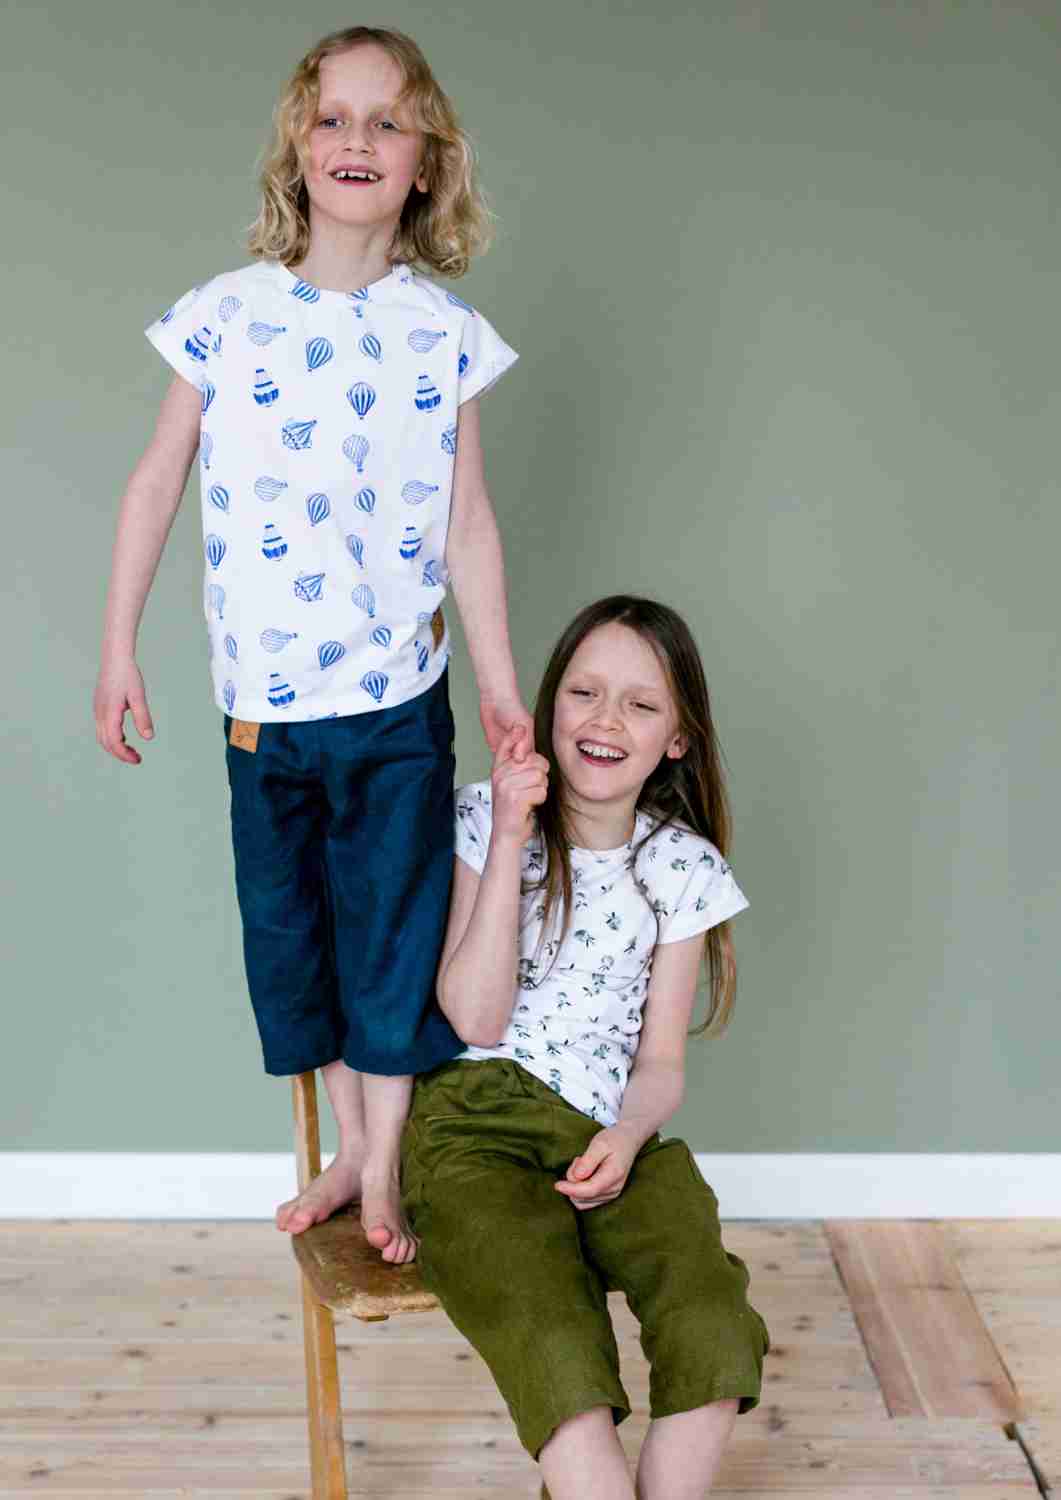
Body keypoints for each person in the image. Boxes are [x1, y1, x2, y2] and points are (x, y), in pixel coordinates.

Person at [93, 26, 532, 1263]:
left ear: (424, 163)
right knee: (293, 945)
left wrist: (500, 695)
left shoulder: (443, 333)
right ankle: (350, 1144)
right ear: (297, 145)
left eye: (386, 122)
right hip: (263, 710)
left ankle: (379, 1168)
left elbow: (469, 524)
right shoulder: (226, 315)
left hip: (396, 702)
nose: (356, 140)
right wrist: (118, 646)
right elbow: (155, 481)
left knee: (391, 938)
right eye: (332, 117)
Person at [402, 595, 769, 1498]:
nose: (606, 720)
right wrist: (514, 835)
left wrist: (628, 1136)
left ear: (676, 739)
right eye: (584, 693)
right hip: (472, 1127)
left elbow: (660, 1064)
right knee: (549, 1325)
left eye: (640, 706)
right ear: (549, 704)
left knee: (710, 1310)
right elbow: (474, 1018)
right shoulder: (481, 819)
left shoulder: (682, 869)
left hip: (609, 1131)